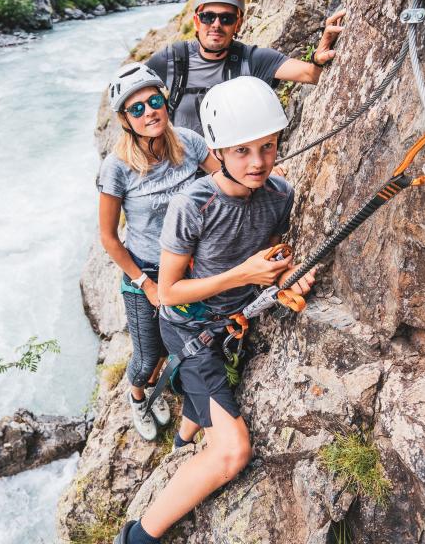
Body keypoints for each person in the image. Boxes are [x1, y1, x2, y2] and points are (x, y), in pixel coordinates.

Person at [114, 76, 316, 544]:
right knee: (230, 454)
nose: (258, 162)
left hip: (232, 323)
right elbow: (167, 293)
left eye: (267, 147)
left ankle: (183, 443)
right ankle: (138, 536)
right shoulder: (194, 205)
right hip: (189, 331)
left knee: (199, 416)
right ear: (219, 151)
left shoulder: (279, 196)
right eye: (242, 151)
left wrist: (286, 276)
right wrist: (241, 276)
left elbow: (272, 254)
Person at [98, 62, 219, 442]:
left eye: (154, 101)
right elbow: (109, 238)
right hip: (145, 272)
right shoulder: (117, 168)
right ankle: (137, 395)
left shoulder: (188, 142)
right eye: (137, 109)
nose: (149, 111)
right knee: (148, 358)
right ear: (124, 119)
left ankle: (177, 389)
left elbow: (221, 183)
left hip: (189, 266)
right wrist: (144, 283)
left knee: (176, 347)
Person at [146, 0, 345, 136]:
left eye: (226, 18)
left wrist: (318, 56)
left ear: (238, 24)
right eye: (208, 17)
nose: (216, 24)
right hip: (182, 172)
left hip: (233, 176)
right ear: (197, 21)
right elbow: (129, 92)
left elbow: (311, 75)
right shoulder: (174, 59)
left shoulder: (252, 60)